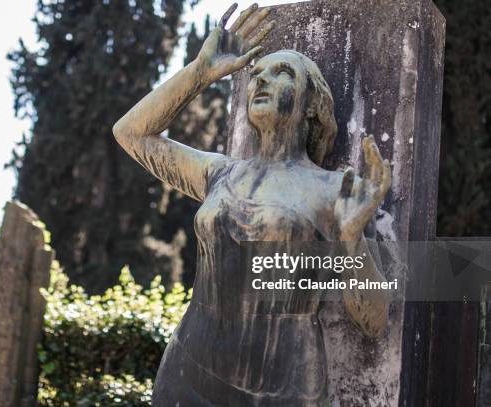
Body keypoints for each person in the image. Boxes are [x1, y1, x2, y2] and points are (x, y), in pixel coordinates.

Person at [113, 3, 391, 405]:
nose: (262, 81)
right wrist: (200, 73)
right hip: (191, 364)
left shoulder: (335, 191)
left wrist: (351, 242)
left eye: (282, 74)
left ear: (312, 104)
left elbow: (374, 321)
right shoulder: (220, 174)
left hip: (283, 380)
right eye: (257, 75)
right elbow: (131, 133)